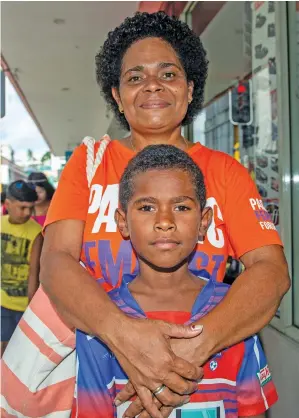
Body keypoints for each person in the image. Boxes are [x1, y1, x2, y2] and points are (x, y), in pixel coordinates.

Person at [1, 12, 289, 418]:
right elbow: (55, 261)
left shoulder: (225, 172)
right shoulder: (89, 163)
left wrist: (187, 355)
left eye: (168, 74)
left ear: (190, 89)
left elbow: (271, 271)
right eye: (134, 77)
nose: (152, 84)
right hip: (98, 378)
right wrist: (126, 337)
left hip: (204, 382)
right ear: (117, 96)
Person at [74, 144, 278, 418]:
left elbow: (252, 410)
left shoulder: (237, 311)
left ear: (204, 221)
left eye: (181, 206)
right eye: (147, 207)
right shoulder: (98, 324)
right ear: (122, 222)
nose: (165, 221)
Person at [1, 180, 43, 356]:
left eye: (30, 208)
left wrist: (31, 307)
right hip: (2, 302)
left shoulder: (36, 232)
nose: (27, 213)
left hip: (24, 305)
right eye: (22, 207)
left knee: (22, 352)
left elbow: (34, 272)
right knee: (3, 346)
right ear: (8, 204)